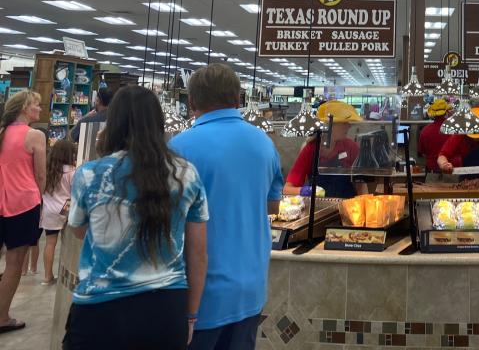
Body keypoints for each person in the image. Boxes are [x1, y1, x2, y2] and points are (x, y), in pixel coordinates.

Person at [63, 85, 208, 350]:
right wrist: (191, 315)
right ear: (159, 123)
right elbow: (198, 254)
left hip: (100, 310)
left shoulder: (90, 175)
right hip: (166, 310)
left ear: (113, 123)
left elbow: (79, 229)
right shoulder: (187, 175)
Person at [171, 63, 283, 349]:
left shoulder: (178, 149)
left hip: (199, 297)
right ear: (238, 98)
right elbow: (272, 206)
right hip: (251, 290)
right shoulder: (264, 143)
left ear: (192, 101)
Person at [0, 91, 45, 336]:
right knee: (14, 263)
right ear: (26, 108)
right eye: (36, 104)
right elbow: (40, 175)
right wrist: (41, 200)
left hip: (2, 200)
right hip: (23, 203)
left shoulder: (2, 133)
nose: (39, 108)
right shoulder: (34, 135)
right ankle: (2, 316)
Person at [283, 100, 367, 199]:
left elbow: (361, 186)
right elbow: (287, 189)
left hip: (348, 207)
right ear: (329, 125)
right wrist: (305, 191)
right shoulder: (311, 149)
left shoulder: (351, 147)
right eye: (344, 123)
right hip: (320, 208)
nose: (349, 126)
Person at [40, 138, 76, 285]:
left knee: (50, 244)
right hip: (66, 210)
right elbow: (74, 192)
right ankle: (64, 273)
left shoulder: (46, 170)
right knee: (67, 243)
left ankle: (47, 276)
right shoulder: (72, 171)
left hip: (49, 211)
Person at [417, 98, 450, 173]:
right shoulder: (453, 130)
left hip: (432, 171)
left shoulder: (425, 131)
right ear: (446, 112)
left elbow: (422, 153)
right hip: (450, 170)